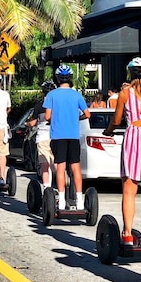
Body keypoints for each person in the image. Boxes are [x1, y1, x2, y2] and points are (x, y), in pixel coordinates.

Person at [103, 57, 141, 246]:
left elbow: (117, 119)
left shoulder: (125, 93)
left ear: (130, 73)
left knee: (129, 189)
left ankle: (128, 233)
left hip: (134, 137)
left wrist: (109, 131)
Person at [43, 64, 91, 210]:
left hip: (58, 136)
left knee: (61, 167)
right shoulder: (76, 95)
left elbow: (47, 116)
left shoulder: (52, 95)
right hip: (73, 136)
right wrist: (77, 118)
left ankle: (62, 200)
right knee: (76, 167)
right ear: (70, 79)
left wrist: (54, 120)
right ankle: (79, 200)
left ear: (57, 79)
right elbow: (88, 114)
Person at [28, 80, 57, 190]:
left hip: (43, 137)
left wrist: (27, 124)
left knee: (45, 165)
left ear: (43, 92)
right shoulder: (58, 105)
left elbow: (33, 122)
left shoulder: (39, 106)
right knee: (58, 164)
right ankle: (63, 188)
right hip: (57, 136)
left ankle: (46, 189)